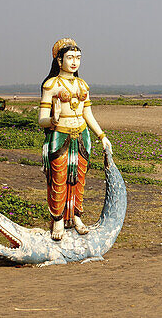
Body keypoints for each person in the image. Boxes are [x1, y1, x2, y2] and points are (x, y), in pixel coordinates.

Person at [37, 38, 113, 240]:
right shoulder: (51, 85)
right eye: (70, 57)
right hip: (60, 136)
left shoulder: (83, 85)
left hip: (81, 135)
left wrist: (102, 135)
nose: (74, 62)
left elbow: (88, 114)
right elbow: (41, 120)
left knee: (78, 179)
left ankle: (76, 217)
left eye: (78, 58)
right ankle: (58, 220)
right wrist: (52, 120)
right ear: (59, 60)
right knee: (58, 179)